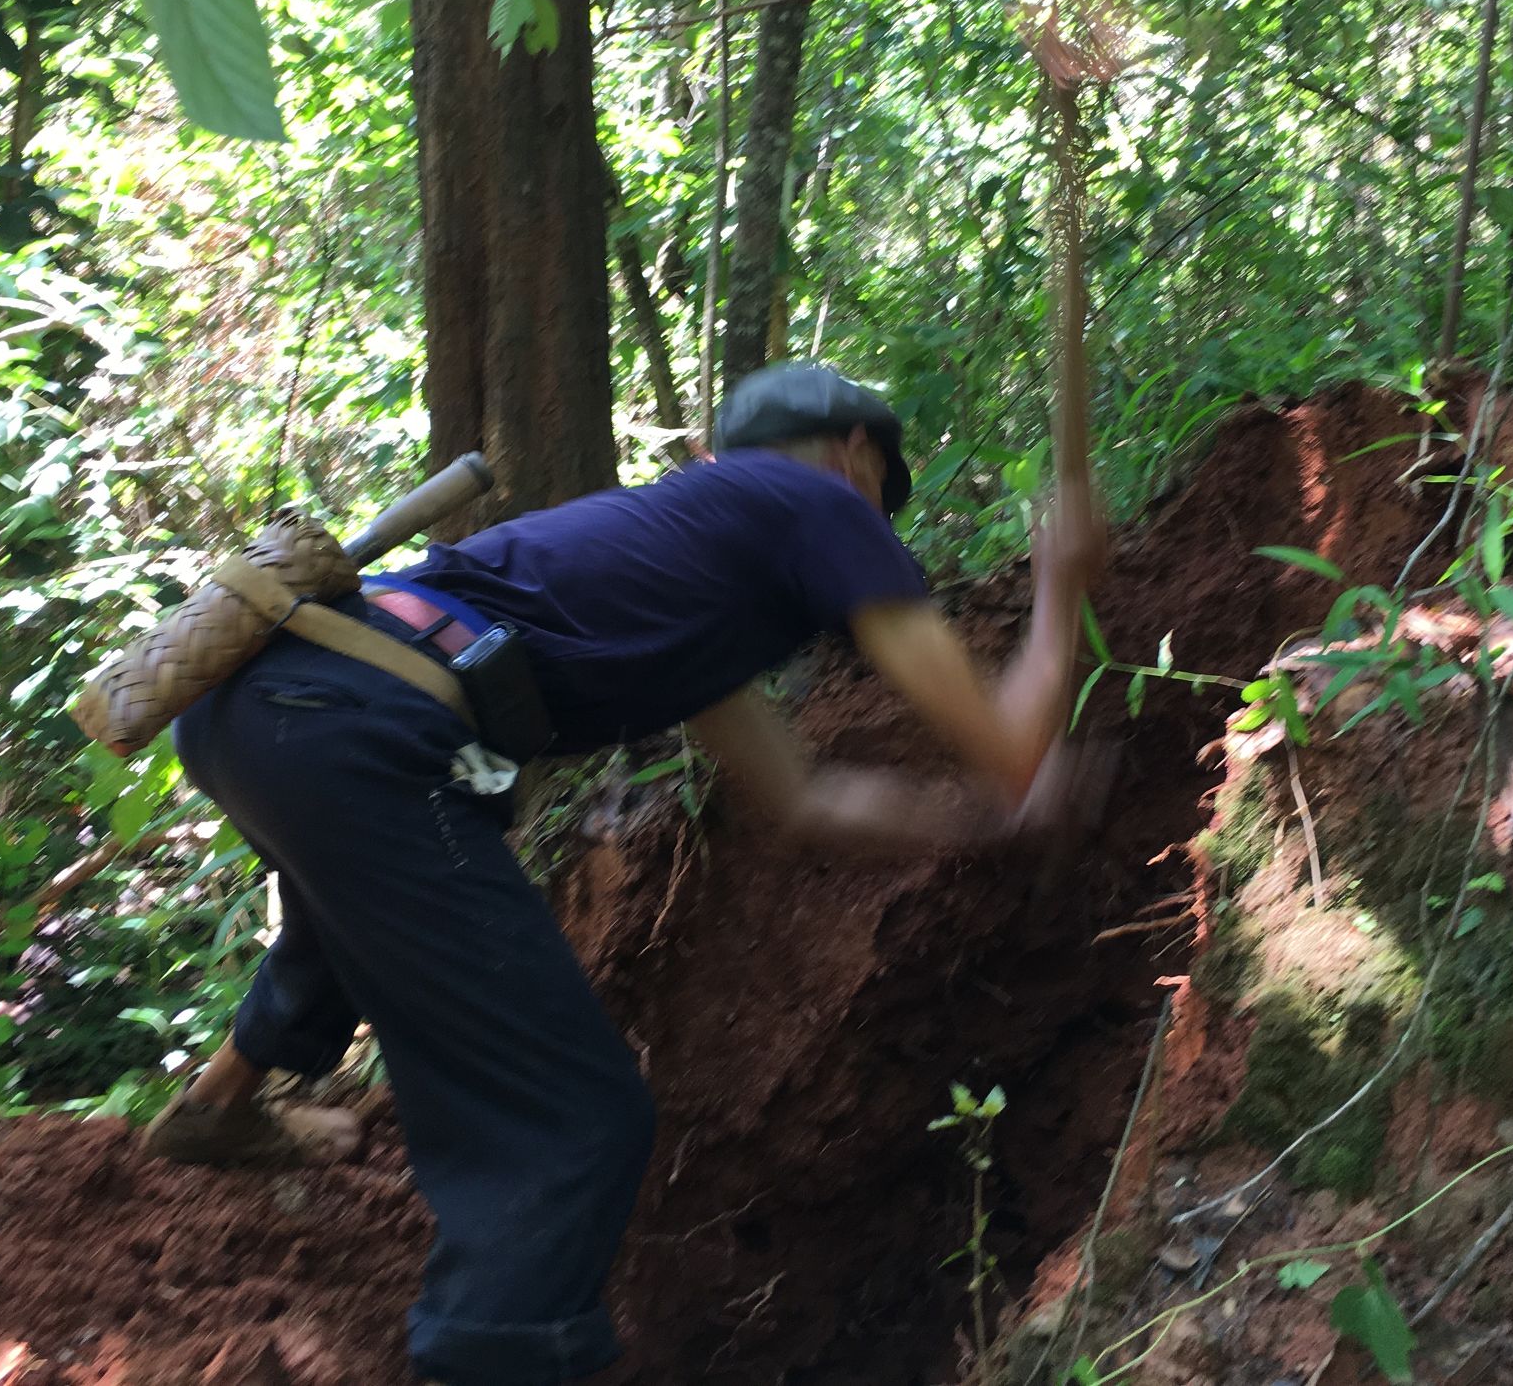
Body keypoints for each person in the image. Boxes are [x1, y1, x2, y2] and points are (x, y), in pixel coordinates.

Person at [143, 361, 1107, 1386]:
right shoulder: (819, 503)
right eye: (879, 492)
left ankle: (221, 1101)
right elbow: (1011, 745)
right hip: (353, 724)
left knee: (372, 888)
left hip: (264, 700)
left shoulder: (693, 556)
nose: (877, 520)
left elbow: (797, 796)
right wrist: (1059, 586)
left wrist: (962, 822)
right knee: (575, 1120)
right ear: (853, 457)